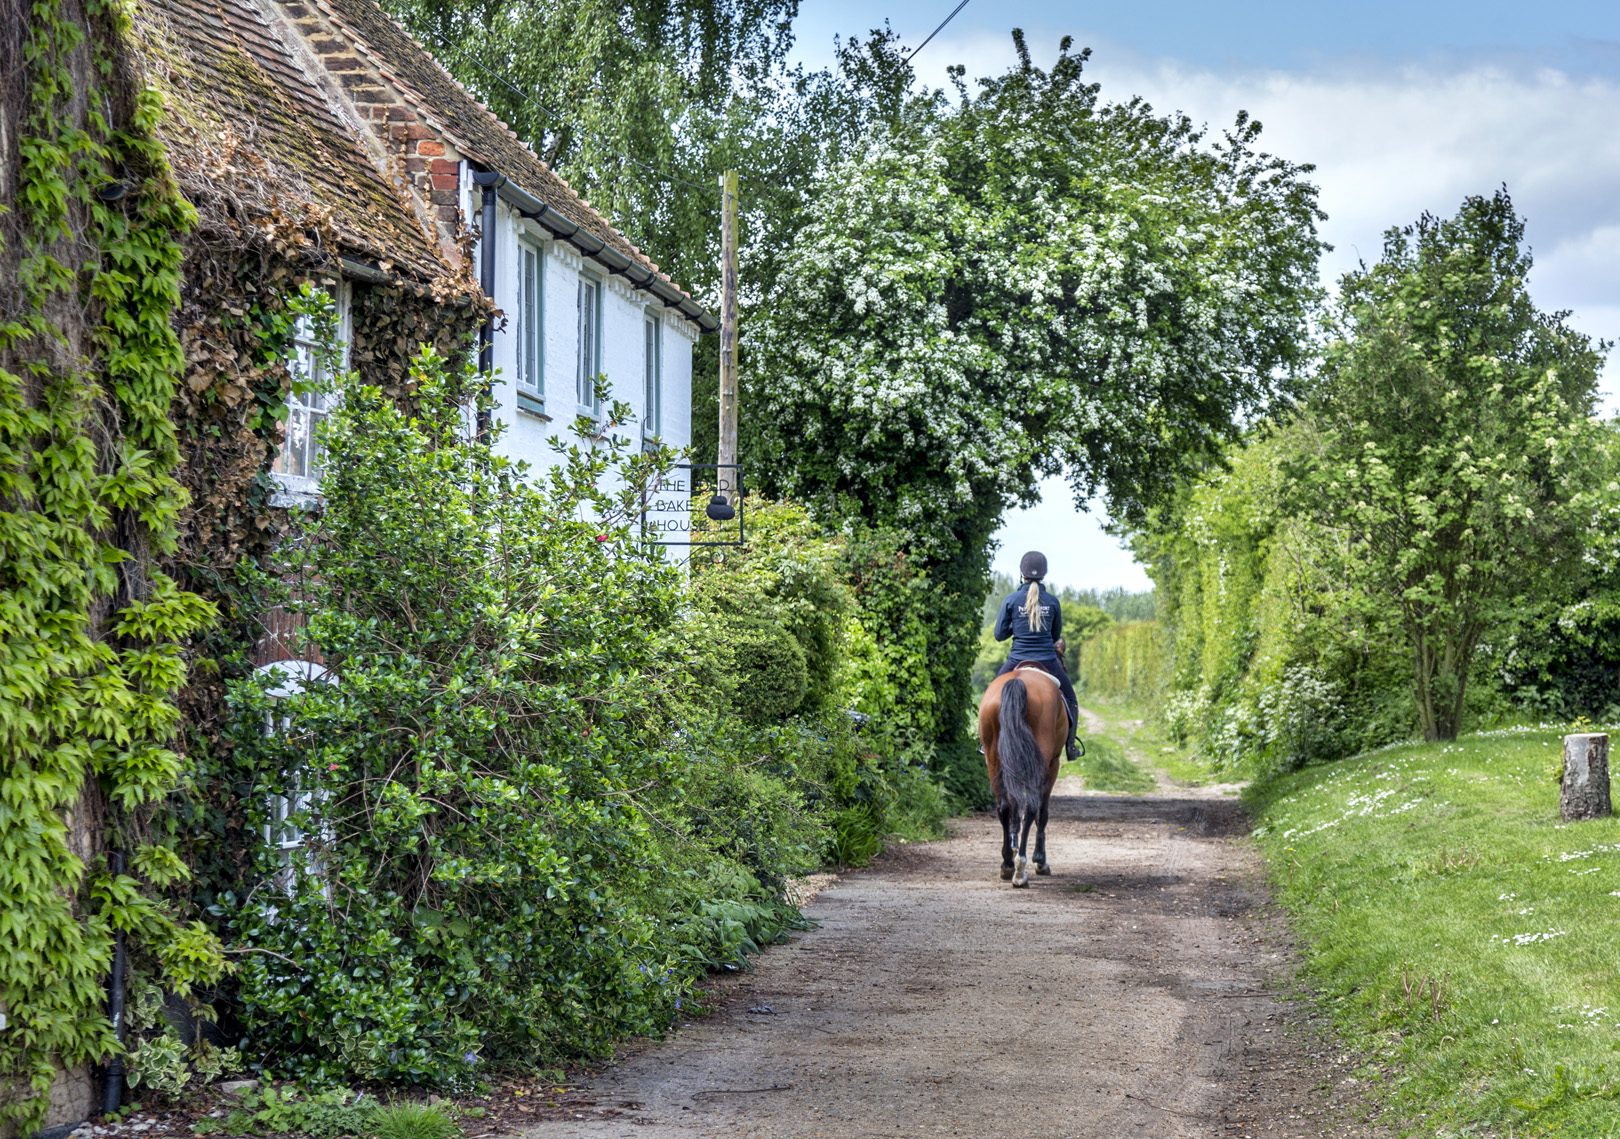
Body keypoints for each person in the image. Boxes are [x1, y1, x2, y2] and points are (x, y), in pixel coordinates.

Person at [992, 550, 1081, 761]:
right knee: (1071, 699)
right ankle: (1070, 746)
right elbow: (1055, 636)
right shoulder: (1052, 601)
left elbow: (999, 635)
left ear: (1021, 573)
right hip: (1048, 661)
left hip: (1016, 659)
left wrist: (1017, 625)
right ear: (1044, 574)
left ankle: (985, 742)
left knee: (992, 694)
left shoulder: (1012, 599)